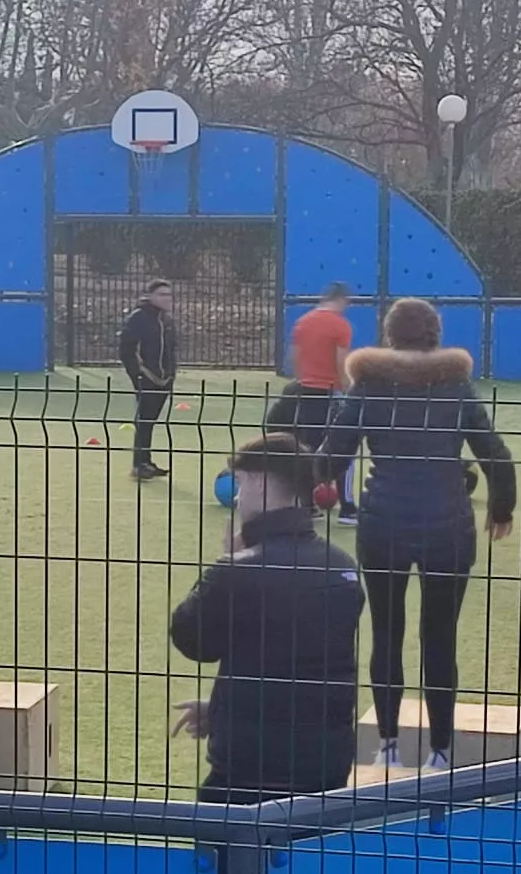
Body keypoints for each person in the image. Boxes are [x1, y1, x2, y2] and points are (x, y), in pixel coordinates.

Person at [322, 298, 516, 773]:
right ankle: (441, 750)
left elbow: (332, 456)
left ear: (389, 335)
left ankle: (386, 743)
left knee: (386, 633)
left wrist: (313, 477)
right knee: (440, 638)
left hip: (383, 522)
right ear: (435, 334)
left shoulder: (367, 386)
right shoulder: (456, 385)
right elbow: (495, 453)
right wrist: (500, 506)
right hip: (447, 523)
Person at [170, 434, 364, 802]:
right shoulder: (342, 567)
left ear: (259, 481)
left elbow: (191, 639)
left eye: (240, 484)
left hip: (249, 768)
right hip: (326, 765)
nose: (238, 497)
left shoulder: (241, 570)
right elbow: (302, 663)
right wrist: (222, 707)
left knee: (224, 855)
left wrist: (224, 563)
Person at [267, 283, 360, 519]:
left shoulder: (303, 322)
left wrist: (302, 380)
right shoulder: (341, 326)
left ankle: (307, 505)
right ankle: (348, 508)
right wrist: (347, 389)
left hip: (306, 391)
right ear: (340, 299)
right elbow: (341, 362)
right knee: (345, 447)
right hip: (330, 391)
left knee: (308, 447)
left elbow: (294, 357)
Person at [118, 280, 178, 481]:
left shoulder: (167, 320)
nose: (167, 298)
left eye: (169, 295)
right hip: (146, 378)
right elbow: (127, 349)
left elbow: (172, 350)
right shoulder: (138, 318)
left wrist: (171, 375)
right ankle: (138, 465)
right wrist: (138, 374)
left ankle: (146, 461)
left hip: (164, 379)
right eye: (162, 294)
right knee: (143, 421)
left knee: (150, 421)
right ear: (150, 296)